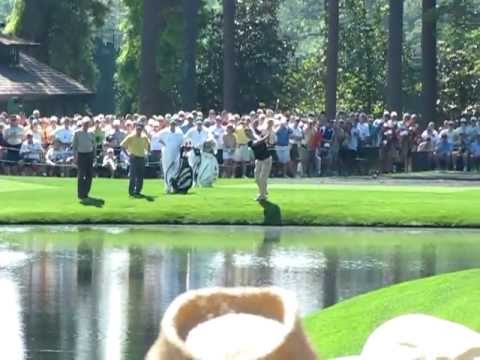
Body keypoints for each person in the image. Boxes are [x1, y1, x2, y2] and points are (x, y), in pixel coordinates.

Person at [121, 122, 150, 197]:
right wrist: (128, 154)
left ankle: (138, 191)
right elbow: (123, 146)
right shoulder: (131, 136)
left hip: (141, 158)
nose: (139, 130)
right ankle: (131, 192)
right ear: (136, 128)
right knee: (133, 176)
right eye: (138, 129)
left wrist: (146, 153)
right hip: (133, 158)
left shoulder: (144, 137)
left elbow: (148, 146)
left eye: (140, 129)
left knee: (140, 176)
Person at [249, 123, 274, 202]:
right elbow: (258, 142)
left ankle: (262, 195)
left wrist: (268, 133)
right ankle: (263, 190)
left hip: (266, 159)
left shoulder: (258, 136)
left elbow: (267, 141)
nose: (247, 134)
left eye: (248, 132)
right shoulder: (250, 142)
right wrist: (266, 135)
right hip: (259, 160)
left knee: (262, 178)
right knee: (257, 178)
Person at [158, 119, 184, 194]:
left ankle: (174, 187)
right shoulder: (165, 131)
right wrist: (165, 145)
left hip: (176, 154)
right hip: (166, 154)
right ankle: (167, 188)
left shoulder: (179, 132)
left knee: (175, 171)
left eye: (174, 124)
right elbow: (159, 138)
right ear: (169, 124)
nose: (173, 126)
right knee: (167, 170)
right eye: (172, 124)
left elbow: (182, 141)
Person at [72, 117, 96, 200]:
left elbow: (94, 146)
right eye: (85, 124)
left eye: (88, 124)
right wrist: (75, 157)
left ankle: (86, 192)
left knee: (89, 175)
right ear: (82, 124)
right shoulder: (77, 133)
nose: (86, 125)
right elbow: (74, 146)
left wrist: (94, 157)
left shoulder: (92, 133)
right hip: (81, 155)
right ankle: (80, 193)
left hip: (89, 155)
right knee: (81, 175)